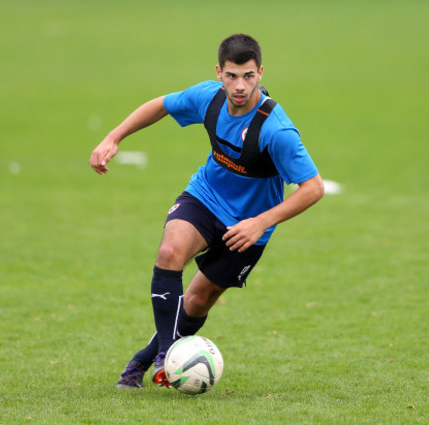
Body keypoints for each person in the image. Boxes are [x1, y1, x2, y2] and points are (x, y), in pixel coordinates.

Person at [89, 33, 324, 389]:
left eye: (248, 76)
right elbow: (162, 105)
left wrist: (260, 222)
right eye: (232, 75)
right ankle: (167, 356)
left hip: (249, 224)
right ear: (219, 72)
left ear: (260, 72)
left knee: (198, 302)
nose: (240, 85)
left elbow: (313, 188)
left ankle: (142, 358)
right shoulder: (208, 99)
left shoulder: (276, 130)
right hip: (205, 196)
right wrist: (114, 137)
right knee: (170, 251)